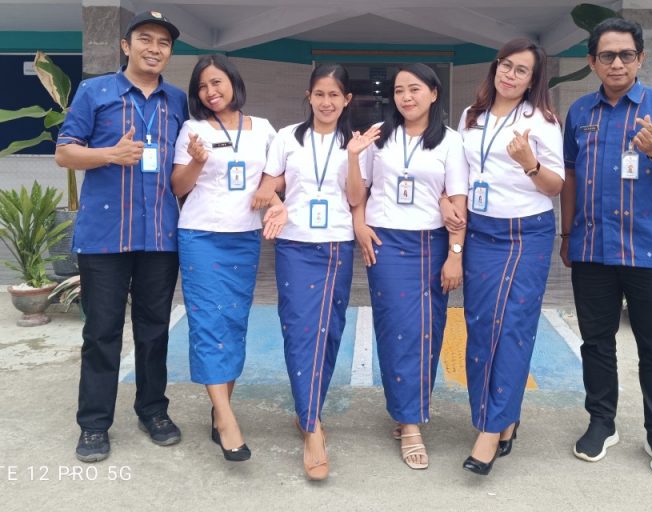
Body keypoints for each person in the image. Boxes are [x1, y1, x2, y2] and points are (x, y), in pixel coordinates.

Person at [560, 18, 652, 481]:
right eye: (606, 55)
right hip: (592, 248)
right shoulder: (580, 112)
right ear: (592, 61)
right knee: (596, 343)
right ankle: (602, 422)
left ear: (640, 59)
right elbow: (570, 175)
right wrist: (567, 235)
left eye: (625, 55)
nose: (616, 63)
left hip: (649, 251)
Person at [55, 10, 189, 463]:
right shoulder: (95, 92)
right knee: (101, 333)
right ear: (126, 46)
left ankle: (153, 411)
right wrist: (109, 154)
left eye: (164, 43)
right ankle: (94, 424)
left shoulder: (177, 100)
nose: (154, 48)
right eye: (145, 39)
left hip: (160, 237)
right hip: (104, 238)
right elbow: (64, 153)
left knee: (155, 331)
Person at [452, 39, 564, 475]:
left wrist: (529, 163)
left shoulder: (543, 121)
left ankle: (489, 427)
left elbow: (555, 186)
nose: (510, 75)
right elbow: (462, 173)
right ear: (495, 67)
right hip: (481, 230)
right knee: (481, 326)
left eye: (521, 70)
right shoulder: (471, 115)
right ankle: (503, 416)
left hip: (525, 232)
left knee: (512, 326)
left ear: (533, 80)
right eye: (506, 65)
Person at [348, 63, 468, 471]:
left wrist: (455, 254)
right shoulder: (379, 136)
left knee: (427, 332)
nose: (406, 97)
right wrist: (359, 224)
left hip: (431, 243)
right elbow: (360, 191)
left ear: (434, 93)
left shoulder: (450, 142)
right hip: (385, 243)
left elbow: (457, 201)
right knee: (395, 330)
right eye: (399, 90)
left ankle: (409, 412)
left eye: (414, 89)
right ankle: (410, 422)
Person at [253, 63, 366, 481]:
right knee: (299, 329)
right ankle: (313, 427)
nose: (326, 102)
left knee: (328, 330)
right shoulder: (287, 137)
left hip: (336, 244)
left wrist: (353, 158)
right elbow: (267, 186)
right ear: (308, 96)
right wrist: (277, 204)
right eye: (319, 94)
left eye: (334, 95)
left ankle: (309, 411)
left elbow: (356, 198)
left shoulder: (356, 143)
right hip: (295, 245)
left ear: (347, 100)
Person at [171, 54, 285, 463]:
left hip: (244, 237)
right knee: (207, 321)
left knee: (233, 322)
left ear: (233, 82)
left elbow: (282, 171)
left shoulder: (264, 129)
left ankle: (220, 410)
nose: (210, 92)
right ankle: (226, 419)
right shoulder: (194, 129)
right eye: (202, 87)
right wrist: (198, 161)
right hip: (201, 235)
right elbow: (178, 186)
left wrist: (269, 189)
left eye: (216, 82)